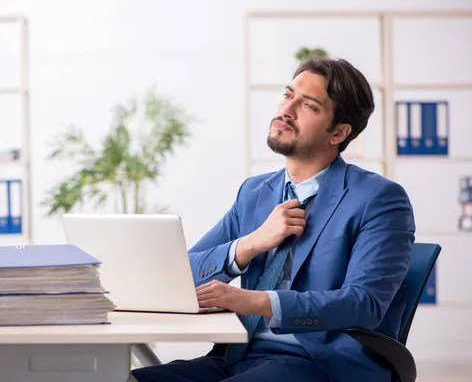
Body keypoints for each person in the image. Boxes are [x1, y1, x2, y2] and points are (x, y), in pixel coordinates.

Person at [131, 56, 416, 382]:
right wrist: (249, 245)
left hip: (322, 364)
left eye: (308, 105)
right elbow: (183, 277)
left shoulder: (378, 199)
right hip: (240, 356)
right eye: (287, 94)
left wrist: (256, 301)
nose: (287, 109)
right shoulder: (255, 192)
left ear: (338, 132)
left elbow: (363, 303)